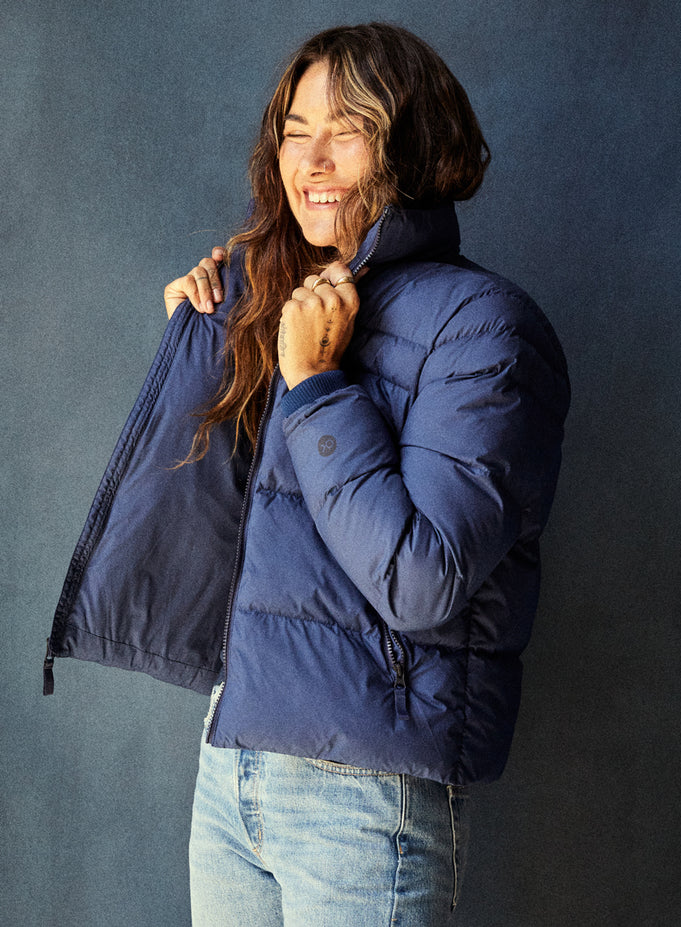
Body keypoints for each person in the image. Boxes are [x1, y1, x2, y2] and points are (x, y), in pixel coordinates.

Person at [46, 22, 570, 926]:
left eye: (347, 129)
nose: (312, 161)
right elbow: (251, 533)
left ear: (413, 143)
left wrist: (318, 384)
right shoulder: (282, 301)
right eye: (295, 132)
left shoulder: (486, 328)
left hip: (367, 792)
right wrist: (204, 348)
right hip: (231, 764)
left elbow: (421, 578)